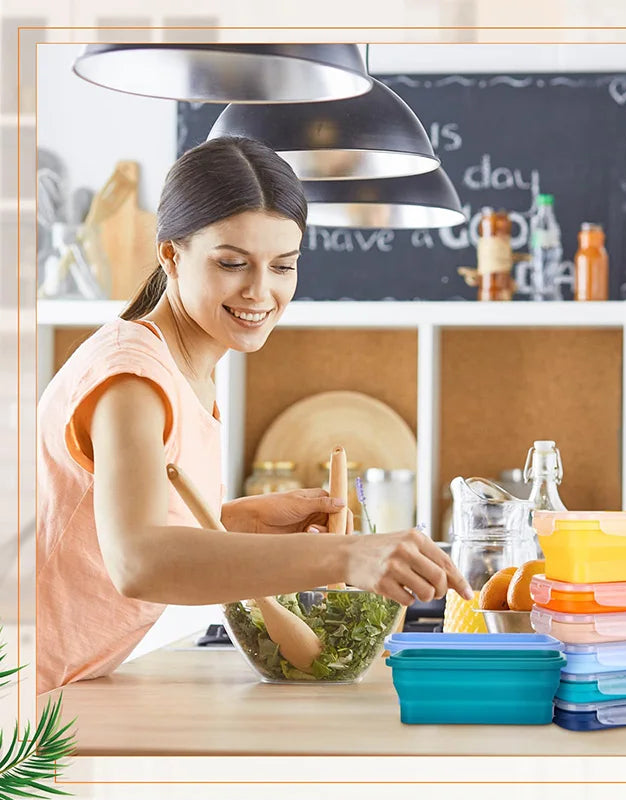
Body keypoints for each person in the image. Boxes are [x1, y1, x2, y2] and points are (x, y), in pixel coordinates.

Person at [36, 136, 472, 694]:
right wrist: (340, 554)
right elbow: (138, 562)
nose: (260, 292)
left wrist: (240, 523)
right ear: (170, 254)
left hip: (55, 689)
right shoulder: (131, 378)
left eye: (283, 266)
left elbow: (106, 525)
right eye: (232, 263)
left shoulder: (185, 367)